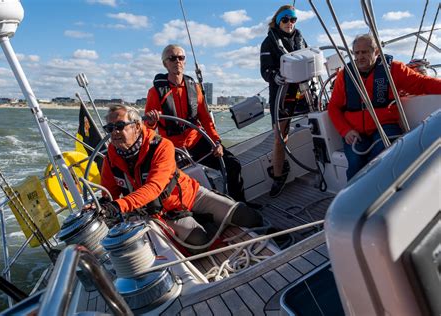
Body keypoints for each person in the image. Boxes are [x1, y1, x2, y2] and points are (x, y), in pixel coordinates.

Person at [98, 105, 263, 249]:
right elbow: (108, 194)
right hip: (161, 213)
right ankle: (198, 222)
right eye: (109, 128)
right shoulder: (110, 160)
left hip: (191, 195)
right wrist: (102, 207)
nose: (114, 132)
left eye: (120, 126)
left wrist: (117, 206)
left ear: (137, 126)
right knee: (198, 242)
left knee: (246, 216)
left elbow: (155, 187)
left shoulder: (162, 146)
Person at [145, 44, 252, 205]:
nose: (177, 61)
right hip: (172, 148)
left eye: (181, 58)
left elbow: (206, 119)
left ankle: (240, 205)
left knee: (233, 165)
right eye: (172, 58)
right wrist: (152, 122)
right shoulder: (155, 92)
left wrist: (216, 142)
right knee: (168, 183)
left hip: (197, 142)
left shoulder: (194, 88)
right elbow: (147, 129)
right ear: (165, 64)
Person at [328, 33, 441, 180]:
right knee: (355, 162)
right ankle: (355, 199)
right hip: (354, 131)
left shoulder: (393, 69)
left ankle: (379, 194)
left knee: (381, 157)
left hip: (385, 126)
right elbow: (333, 107)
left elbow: (422, 84)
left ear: (376, 52)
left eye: (365, 52)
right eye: (357, 53)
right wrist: (346, 130)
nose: (360, 57)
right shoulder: (345, 76)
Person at [260, 5, 308, 198]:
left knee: (318, 123)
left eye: (293, 19)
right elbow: (265, 70)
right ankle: (278, 175)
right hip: (282, 93)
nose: (290, 23)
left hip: (304, 91)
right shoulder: (268, 43)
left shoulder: (301, 38)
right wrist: (274, 76)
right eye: (286, 19)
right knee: (281, 136)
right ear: (278, 20)